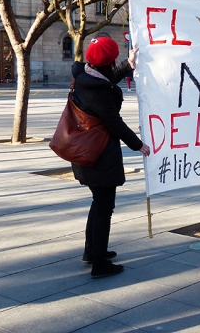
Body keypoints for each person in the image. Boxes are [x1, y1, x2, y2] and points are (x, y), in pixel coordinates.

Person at [71, 37, 150, 278]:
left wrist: (129, 64)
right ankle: (99, 264)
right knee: (105, 207)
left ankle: (92, 251)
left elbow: (106, 80)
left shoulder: (85, 77)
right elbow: (114, 122)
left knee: (98, 203)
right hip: (99, 156)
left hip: (86, 152)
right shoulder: (98, 91)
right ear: (109, 60)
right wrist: (139, 145)